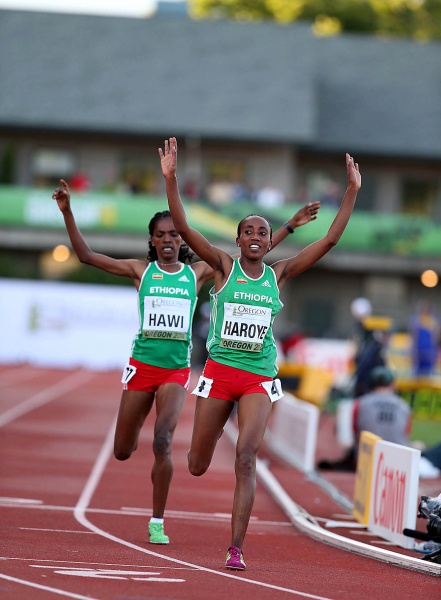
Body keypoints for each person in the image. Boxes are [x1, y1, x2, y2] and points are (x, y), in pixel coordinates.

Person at [52, 173, 320, 546]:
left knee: (163, 438)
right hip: (141, 366)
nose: (169, 240)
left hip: (177, 370)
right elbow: (86, 256)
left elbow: (252, 253)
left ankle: (157, 520)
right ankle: (146, 444)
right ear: (152, 240)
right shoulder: (140, 271)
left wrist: (289, 226)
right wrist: (68, 211)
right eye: (161, 235)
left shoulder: (198, 273)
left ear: (181, 239)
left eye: (174, 235)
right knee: (123, 450)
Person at [159, 136, 361, 570]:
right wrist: (171, 180)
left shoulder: (278, 275)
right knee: (196, 464)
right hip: (219, 374)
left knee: (247, 458)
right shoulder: (223, 267)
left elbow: (328, 240)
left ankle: (235, 548)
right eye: (248, 231)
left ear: (270, 243)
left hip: (258, 376)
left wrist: (351, 191)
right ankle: (209, 439)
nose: (255, 237)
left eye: (262, 233)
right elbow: (186, 227)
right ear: (238, 239)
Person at [318, 366, 441, 478]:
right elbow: (405, 433)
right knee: (420, 446)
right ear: (392, 385)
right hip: (400, 464)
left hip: (367, 459)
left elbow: (351, 435)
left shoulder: (359, 404)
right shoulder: (404, 406)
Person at [409, 301, 440, 377]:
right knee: (417, 372)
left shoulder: (434, 321)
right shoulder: (416, 320)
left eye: (427, 309)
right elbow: (413, 335)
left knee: (429, 372)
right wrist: (413, 351)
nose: (425, 311)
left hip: (429, 350)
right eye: (423, 309)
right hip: (419, 349)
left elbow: (436, 337)